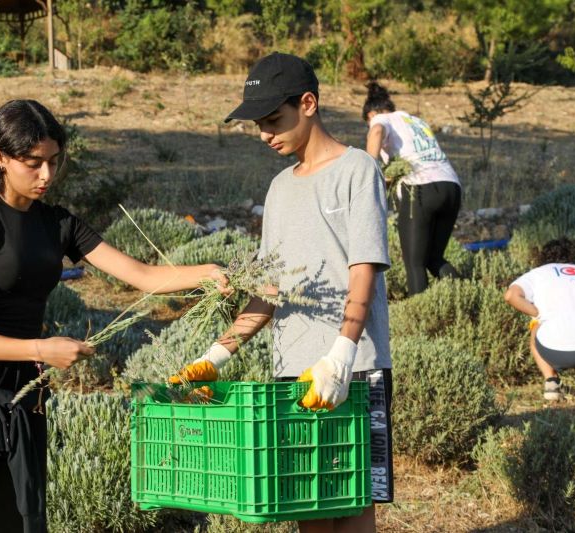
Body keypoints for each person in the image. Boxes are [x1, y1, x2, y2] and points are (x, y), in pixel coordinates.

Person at [0, 99, 228, 532]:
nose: (47, 175)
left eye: (53, 161)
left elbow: (143, 276)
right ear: (0, 158)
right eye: (33, 163)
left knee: (23, 520)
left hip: (24, 398)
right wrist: (40, 348)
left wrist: (212, 272)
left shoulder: (58, 223)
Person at [172, 52, 393, 533]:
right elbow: (270, 289)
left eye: (274, 119)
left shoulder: (357, 170)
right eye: (259, 125)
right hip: (291, 375)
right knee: (306, 508)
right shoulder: (278, 189)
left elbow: (364, 271)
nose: (267, 134)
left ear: (308, 103)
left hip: (352, 371)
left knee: (353, 507)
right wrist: (219, 353)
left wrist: (341, 354)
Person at [363, 81, 461, 295]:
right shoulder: (416, 121)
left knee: (414, 264)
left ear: (370, 114)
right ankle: (467, 296)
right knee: (433, 258)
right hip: (451, 186)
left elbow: (377, 131)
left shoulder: (379, 119)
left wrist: (370, 169)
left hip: (420, 188)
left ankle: (420, 320)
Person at [504, 238, 575, 407]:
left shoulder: (539, 273)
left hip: (559, 350)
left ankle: (551, 383)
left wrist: (538, 314)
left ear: (544, 258)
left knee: (537, 325)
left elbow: (511, 296)